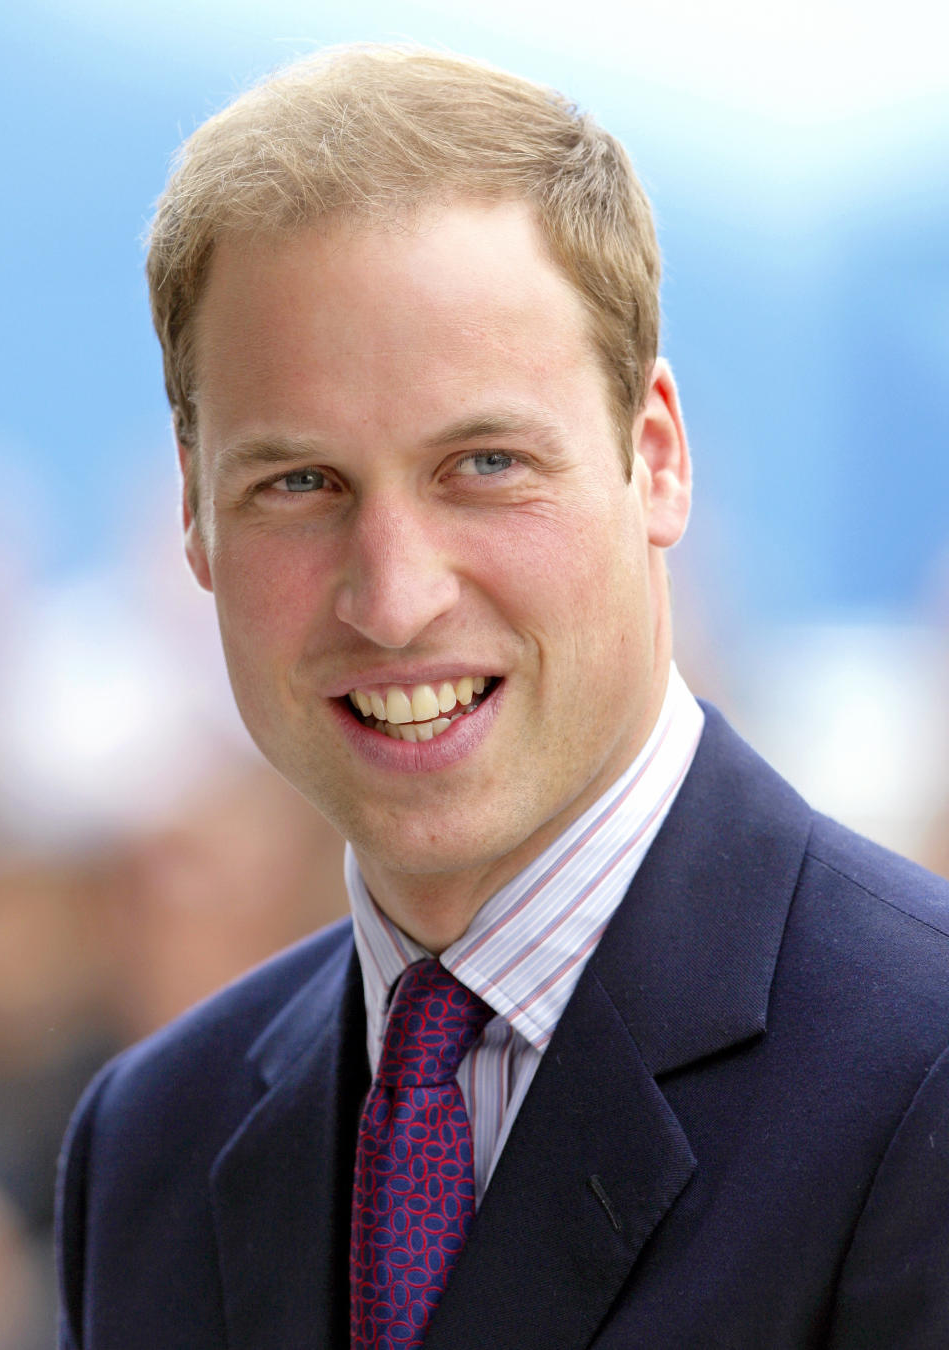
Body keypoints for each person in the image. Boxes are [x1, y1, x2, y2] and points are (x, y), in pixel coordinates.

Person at [57, 45, 949, 1350]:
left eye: (483, 461)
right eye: (300, 482)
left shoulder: (919, 1078)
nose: (394, 593)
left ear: (656, 457)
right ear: (193, 510)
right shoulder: (147, 1145)